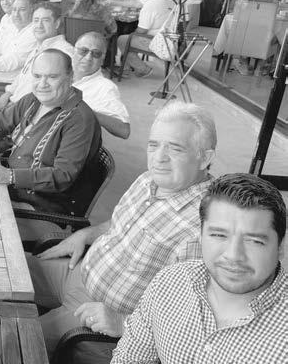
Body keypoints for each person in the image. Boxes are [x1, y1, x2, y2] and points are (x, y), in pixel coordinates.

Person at [28, 102, 217, 361]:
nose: (159, 157)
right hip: (79, 271)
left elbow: (191, 320)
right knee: (0, 273)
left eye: (175, 148)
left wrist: (123, 322)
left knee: (14, 339)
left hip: (98, 317)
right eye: (154, 145)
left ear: (205, 158)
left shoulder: (203, 228)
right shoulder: (149, 180)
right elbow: (118, 223)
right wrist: (85, 235)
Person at [112, 173, 287, 363]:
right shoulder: (169, 283)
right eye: (219, 235)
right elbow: (130, 358)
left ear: (280, 247)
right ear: (201, 237)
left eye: (254, 241)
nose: (233, 255)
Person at [0, 49, 101, 239]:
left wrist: (10, 176)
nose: (42, 84)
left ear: (70, 77)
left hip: (41, 207)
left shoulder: (80, 120)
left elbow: (62, 175)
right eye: (37, 76)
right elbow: (0, 120)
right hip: (11, 188)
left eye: (52, 77)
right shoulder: (34, 100)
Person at [0, 2, 74, 111]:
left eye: (45, 20)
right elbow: (21, 77)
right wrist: (7, 94)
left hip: (26, 112)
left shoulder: (63, 52)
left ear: (57, 23)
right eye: (36, 20)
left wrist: (12, 110)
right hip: (13, 103)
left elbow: (55, 94)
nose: (39, 25)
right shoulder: (38, 47)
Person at [70, 32, 130, 139]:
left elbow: (124, 130)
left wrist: (85, 111)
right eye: (83, 51)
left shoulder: (105, 87)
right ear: (74, 51)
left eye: (96, 54)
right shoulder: (61, 72)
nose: (88, 57)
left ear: (102, 59)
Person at [116, 0, 174, 77]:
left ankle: (143, 69)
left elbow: (142, 30)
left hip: (157, 42)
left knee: (122, 40)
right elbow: (136, 3)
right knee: (129, 38)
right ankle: (128, 66)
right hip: (171, 39)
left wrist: (132, 34)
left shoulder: (150, 5)